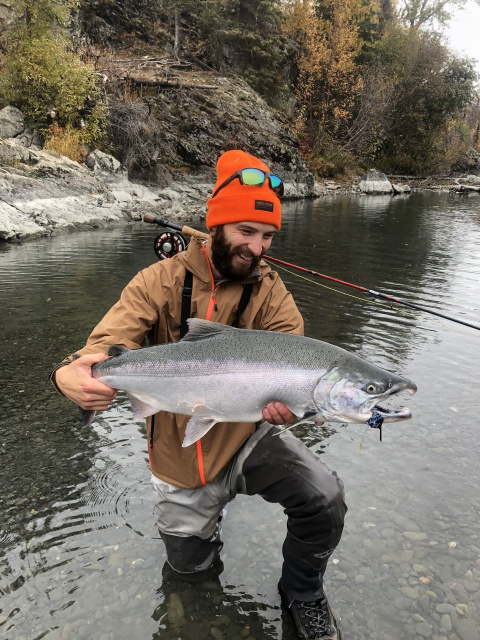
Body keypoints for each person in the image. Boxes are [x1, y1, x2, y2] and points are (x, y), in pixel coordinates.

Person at [50, 150, 347, 640]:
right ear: (217, 225)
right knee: (189, 574)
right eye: (246, 232)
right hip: (176, 451)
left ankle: (303, 593)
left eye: (268, 236)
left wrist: (287, 413)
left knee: (325, 497)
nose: (257, 247)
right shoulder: (158, 281)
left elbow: (299, 371)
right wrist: (67, 375)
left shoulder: (272, 293)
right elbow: (102, 346)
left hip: (247, 436)